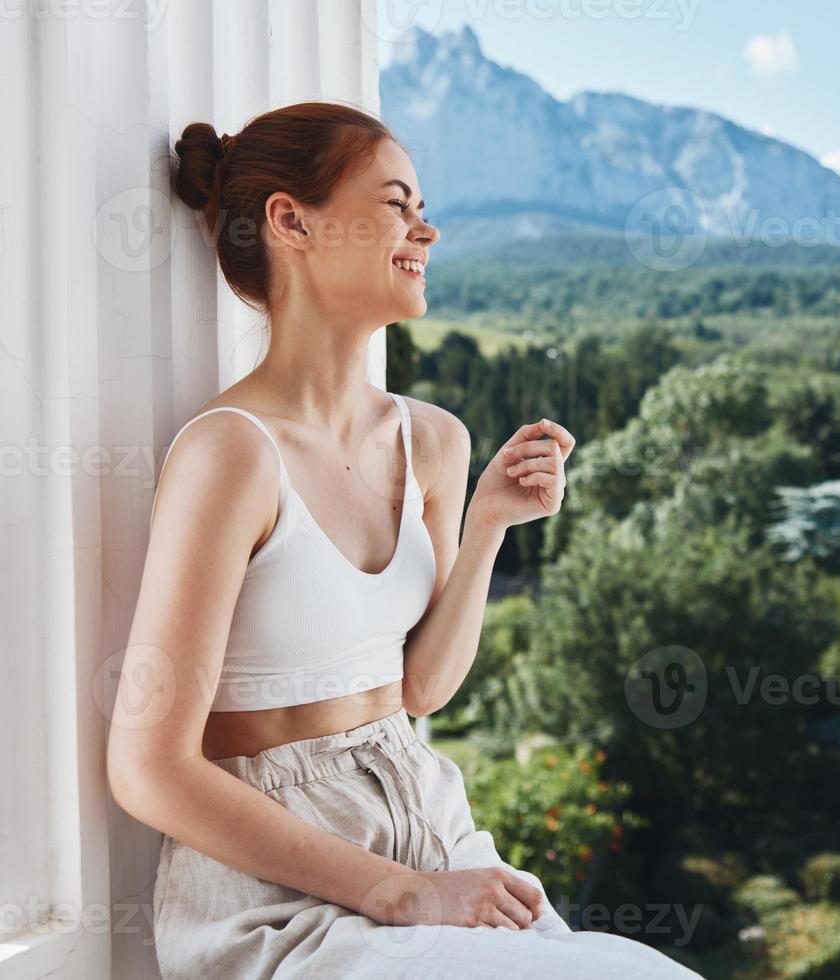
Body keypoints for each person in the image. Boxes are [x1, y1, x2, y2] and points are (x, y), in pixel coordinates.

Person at [105, 101, 703, 980]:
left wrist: (489, 524)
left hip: (433, 827)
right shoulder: (230, 451)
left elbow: (420, 687)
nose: (426, 227)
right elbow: (150, 768)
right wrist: (398, 893)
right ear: (290, 220)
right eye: (395, 202)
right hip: (283, 892)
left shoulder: (434, 440)